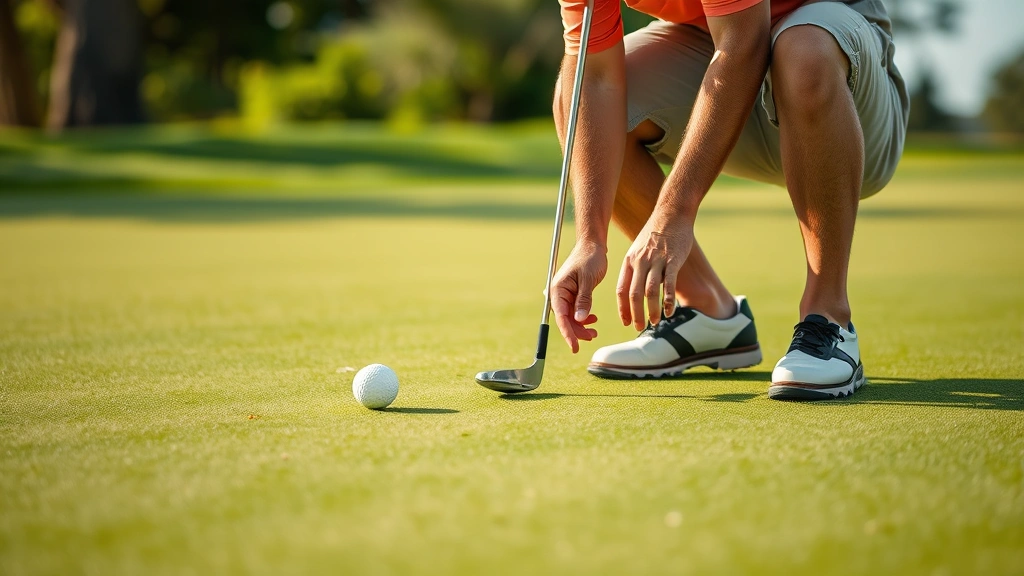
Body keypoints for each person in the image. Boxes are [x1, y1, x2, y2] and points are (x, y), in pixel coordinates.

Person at [549, 0, 909, 399]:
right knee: (575, 92)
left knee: (804, 49)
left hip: (842, 81)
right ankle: (706, 310)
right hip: (721, 57)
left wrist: (674, 210)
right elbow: (597, 78)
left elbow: (744, 43)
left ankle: (829, 318)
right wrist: (590, 238)